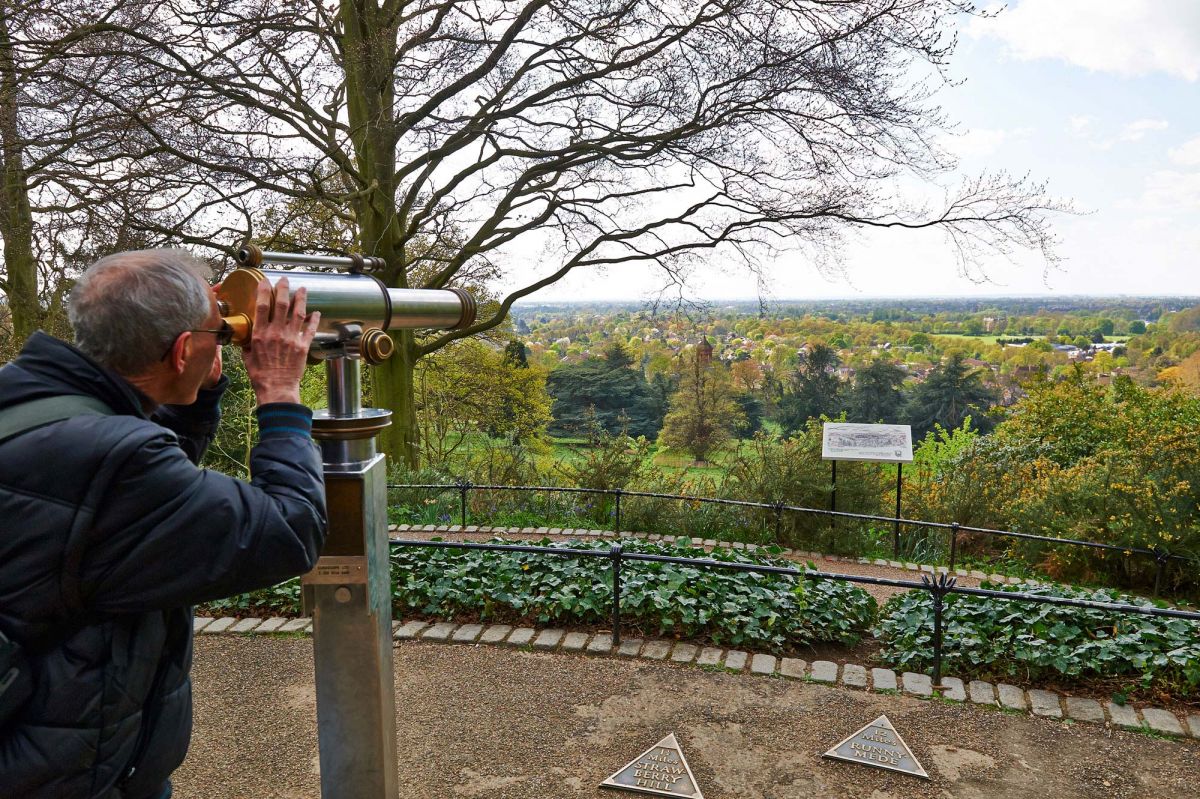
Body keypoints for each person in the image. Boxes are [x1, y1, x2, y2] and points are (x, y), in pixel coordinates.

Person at [0, 249, 326, 799]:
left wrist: (194, 400)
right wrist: (280, 395)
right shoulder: (123, 463)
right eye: (215, 336)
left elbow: (118, 506)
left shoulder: (25, 396)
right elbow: (290, 529)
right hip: (63, 773)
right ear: (181, 350)